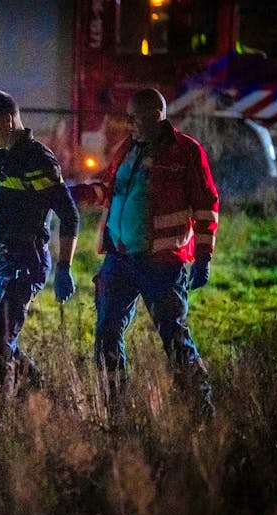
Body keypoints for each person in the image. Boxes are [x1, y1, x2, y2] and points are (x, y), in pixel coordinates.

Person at [92, 88, 219, 414]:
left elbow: (206, 206)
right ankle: (114, 409)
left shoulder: (186, 152)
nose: (130, 123)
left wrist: (203, 258)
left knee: (174, 337)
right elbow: (108, 187)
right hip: (120, 259)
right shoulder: (127, 148)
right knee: (107, 333)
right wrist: (76, 191)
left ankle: (200, 410)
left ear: (154, 115)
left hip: (161, 264)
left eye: (135, 117)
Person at [0, 90, 79, 395]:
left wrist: (65, 267)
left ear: (9, 120)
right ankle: (44, 397)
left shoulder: (38, 159)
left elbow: (70, 215)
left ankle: (9, 416)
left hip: (25, 262)